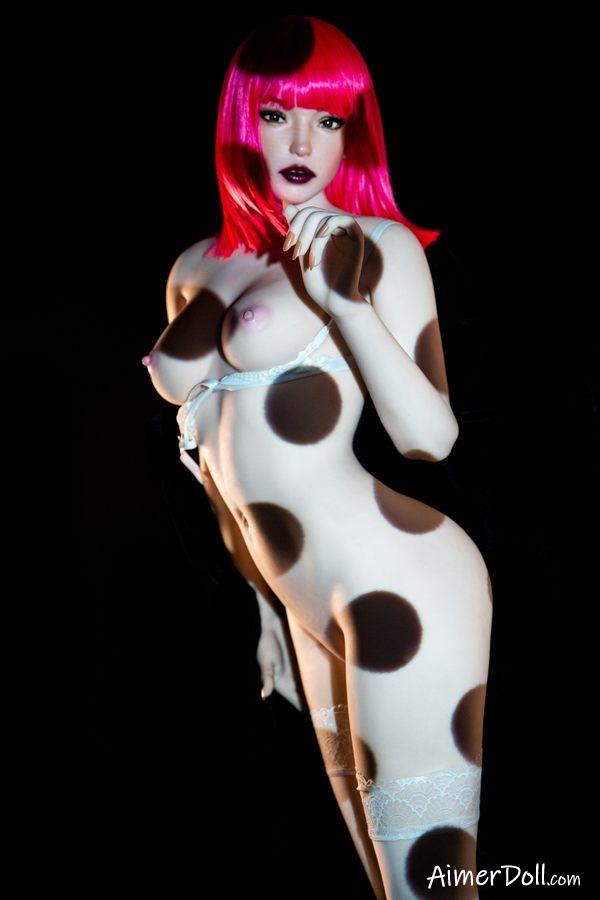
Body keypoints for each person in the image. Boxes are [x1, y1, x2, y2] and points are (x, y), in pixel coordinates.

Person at [143, 14, 493, 899]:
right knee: (383, 875)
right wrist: (266, 607)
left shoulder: (377, 248)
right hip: (305, 602)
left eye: (328, 120)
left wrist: (348, 309)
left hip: (400, 583)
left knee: (426, 883)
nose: (303, 143)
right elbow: (217, 456)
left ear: (353, 133)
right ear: (241, 121)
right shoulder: (197, 265)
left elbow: (430, 437)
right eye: (277, 115)